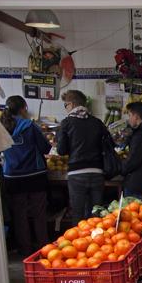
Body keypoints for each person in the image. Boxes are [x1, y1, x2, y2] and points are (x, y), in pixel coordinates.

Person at [0, 95, 51, 257]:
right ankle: (44, 249)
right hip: (35, 175)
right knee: (39, 213)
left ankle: (25, 251)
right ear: (24, 108)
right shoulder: (29, 125)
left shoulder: (1, 126)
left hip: (12, 176)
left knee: (19, 215)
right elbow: (45, 147)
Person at [57, 90, 110, 223]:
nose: (66, 109)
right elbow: (108, 144)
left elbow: (61, 150)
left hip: (77, 174)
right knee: (96, 215)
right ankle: (98, 242)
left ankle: (79, 243)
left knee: (78, 216)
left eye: (65, 105)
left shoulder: (67, 123)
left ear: (71, 104)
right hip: (97, 172)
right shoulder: (97, 122)